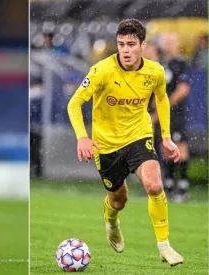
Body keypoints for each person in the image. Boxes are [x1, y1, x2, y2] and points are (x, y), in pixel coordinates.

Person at [67, 18, 184, 266]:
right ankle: (111, 221)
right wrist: (82, 137)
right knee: (119, 199)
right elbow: (74, 103)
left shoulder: (155, 71)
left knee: (154, 186)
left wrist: (165, 136)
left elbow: (161, 99)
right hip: (106, 145)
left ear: (142, 45)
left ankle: (164, 245)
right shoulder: (101, 71)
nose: (126, 50)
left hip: (139, 136)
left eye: (131, 44)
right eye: (121, 44)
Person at [157, 32, 191, 202]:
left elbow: (183, 89)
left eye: (171, 42)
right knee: (165, 147)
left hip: (176, 114)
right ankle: (169, 185)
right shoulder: (161, 64)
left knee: (180, 146)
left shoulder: (181, 63)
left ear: (177, 44)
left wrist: (166, 105)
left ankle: (183, 186)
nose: (168, 45)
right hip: (163, 115)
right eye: (166, 42)